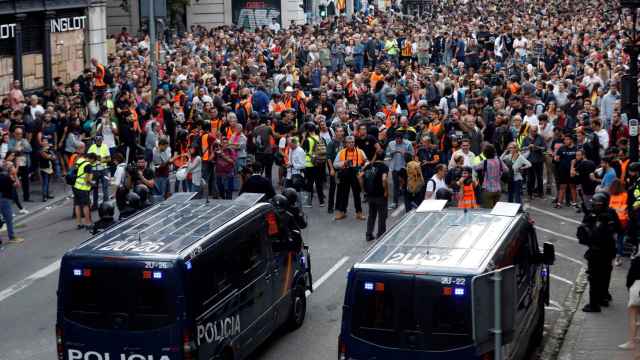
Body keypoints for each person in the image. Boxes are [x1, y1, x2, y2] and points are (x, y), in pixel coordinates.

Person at [578, 192, 621, 312]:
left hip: (599, 251)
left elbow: (618, 229)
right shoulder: (603, 214)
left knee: (595, 276)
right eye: (595, 204)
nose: (596, 206)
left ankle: (594, 304)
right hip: (606, 250)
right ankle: (603, 297)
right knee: (604, 274)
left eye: (599, 204)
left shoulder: (607, 215)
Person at [334, 136, 367, 220]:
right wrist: (343, 163)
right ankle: (342, 212)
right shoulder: (341, 152)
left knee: (357, 195)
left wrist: (363, 168)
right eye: (349, 142)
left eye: (352, 142)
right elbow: (335, 164)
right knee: (344, 194)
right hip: (345, 175)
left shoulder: (360, 151)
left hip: (356, 175)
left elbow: (367, 162)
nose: (351, 143)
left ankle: (359, 213)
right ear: (345, 143)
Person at [359, 147, 388, 241]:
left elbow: (360, 176)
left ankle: (369, 234)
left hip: (370, 194)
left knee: (372, 215)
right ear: (384, 158)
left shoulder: (369, 166)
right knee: (382, 216)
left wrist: (363, 190)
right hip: (380, 195)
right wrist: (386, 191)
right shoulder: (384, 167)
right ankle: (381, 235)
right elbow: (384, 179)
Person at [385, 132, 413, 209]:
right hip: (394, 167)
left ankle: (407, 201)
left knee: (405, 185)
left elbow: (412, 154)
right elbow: (386, 154)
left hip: (404, 167)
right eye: (396, 139)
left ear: (402, 138)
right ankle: (395, 202)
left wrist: (406, 154)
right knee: (395, 185)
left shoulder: (408, 144)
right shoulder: (391, 144)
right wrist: (391, 153)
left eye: (399, 139)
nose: (397, 141)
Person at [475, 144, 508, 208]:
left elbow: (475, 167)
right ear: (494, 152)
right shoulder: (499, 160)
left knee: (488, 211)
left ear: (485, 154)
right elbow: (506, 170)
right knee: (496, 210)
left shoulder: (485, 162)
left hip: (487, 190)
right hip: (498, 189)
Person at [620, 254, 640, 350]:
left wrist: (628, 287)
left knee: (633, 315)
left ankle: (631, 342)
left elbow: (630, 277)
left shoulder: (637, 260)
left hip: (637, 288)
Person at [0, 167, 23, 246]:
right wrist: (15, 175)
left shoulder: (4, 177)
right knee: (8, 218)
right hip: (5, 199)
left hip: (4, 198)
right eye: (13, 167)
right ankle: (12, 237)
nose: (16, 168)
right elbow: (17, 185)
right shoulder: (7, 177)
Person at [73, 152, 97, 229]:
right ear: (92, 159)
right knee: (86, 206)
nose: (93, 163)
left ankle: (79, 223)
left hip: (75, 186)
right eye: (94, 161)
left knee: (77, 205)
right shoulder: (88, 165)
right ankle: (88, 223)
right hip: (83, 188)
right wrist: (93, 184)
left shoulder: (79, 160)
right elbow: (87, 180)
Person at [609, 179, 629, 266]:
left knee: (612, 237)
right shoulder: (625, 195)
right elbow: (624, 207)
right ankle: (618, 257)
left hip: (613, 219)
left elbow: (610, 207)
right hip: (622, 219)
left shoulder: (612, 195)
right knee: (620, 240)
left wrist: (615, 209)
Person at [87, 135, 111, 209]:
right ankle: (95, 204)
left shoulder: (105, 146)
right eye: (97, 140)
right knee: (95, 188)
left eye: (100, 140)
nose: (99, 141)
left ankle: (106, 204)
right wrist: (94, 159)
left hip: (104, 169)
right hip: (94, 170)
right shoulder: (92, 147)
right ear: (95, 140)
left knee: (105, 187)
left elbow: (109, 158)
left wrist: (101, 160)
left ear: (102, 140)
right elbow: (88, 158)